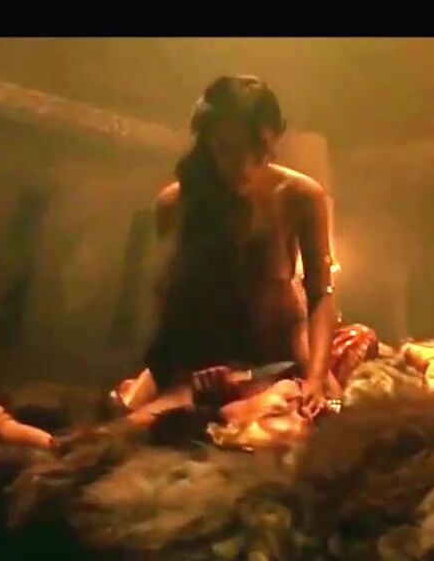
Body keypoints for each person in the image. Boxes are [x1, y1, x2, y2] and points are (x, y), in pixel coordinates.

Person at [144, 75, 337, 416]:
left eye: (255, 150)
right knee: (133, 418)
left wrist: (317, 378)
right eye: (226, 150)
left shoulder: (300, 197)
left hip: (278, 362)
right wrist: (179, 373)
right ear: (207, 142)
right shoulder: (177, 204)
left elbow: (320, 293)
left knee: (316, 418)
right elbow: (166, 299)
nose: (242, 165)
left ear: (274, 139)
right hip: (200, 366)